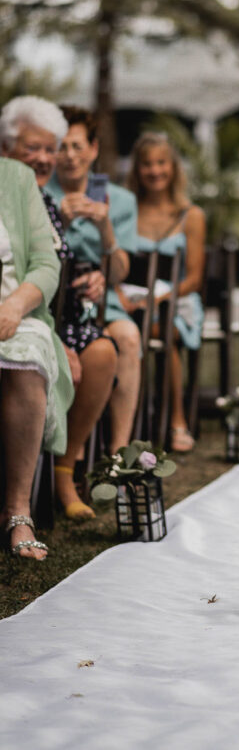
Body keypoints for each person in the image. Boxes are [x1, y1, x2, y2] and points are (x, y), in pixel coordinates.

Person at [0, 96, 118, 520]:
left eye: (52, 148)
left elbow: (58, 262)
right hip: (44, 316)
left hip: (52, 314)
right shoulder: (31, 192)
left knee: (107, 349)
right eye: (37, 148)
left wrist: (96, 273)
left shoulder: (38, 197)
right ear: (5, 147)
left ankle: (69, 469)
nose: (47, 158)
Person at [45, 106, 141, 451]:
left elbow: (119, 273)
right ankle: (70, 451)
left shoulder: (121, 200)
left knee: (129, 337)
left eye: (77, 146)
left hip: (103, 302)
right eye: (61, 146)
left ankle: (118, 455)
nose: (69, 156)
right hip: (53, 303)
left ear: (94, 148)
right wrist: (61, 224)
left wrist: (106, 230)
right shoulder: (41, 193)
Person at [0, 157, 74, 558]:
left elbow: (47, 264)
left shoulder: (16, 177)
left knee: (26, 359)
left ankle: (17, 509)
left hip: (17, 309)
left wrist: (13, 307)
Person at [124, 132, 206, 453]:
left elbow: (195, 279)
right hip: (132, 298)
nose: (154, 170)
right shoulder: (127, 212)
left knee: (162, 328)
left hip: (176, 300)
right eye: (147, 164)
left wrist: (157, 299)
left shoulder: (191, 215)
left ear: (172, 167)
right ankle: (130, 418)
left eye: (161, 163)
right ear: (137, 170)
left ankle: (176, 420)